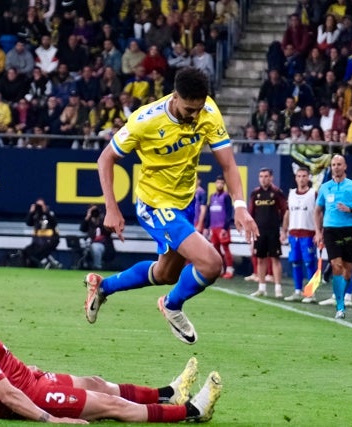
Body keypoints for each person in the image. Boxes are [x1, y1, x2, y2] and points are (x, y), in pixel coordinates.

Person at [87, 67, 259, 345]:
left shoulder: (208, 112)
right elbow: (105, 159)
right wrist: (112, 207)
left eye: (199, 108)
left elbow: (228, 164)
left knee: (166, 273)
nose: (195, 115)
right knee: (212, 264)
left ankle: (103, 286)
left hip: (185, 202)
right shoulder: (145, 120)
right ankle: (172, 305)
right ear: (175, 97)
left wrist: (239, 205)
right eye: (190, 109)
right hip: (155, 204)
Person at [0, 271, 222, 424]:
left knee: (96, 383)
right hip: (31, 396)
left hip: (28, 382)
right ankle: (191, 411)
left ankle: (168, 394)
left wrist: (23, 371)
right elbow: (6, 394)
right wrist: (50, 418)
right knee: (111, 405)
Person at [314, 155, 352, 319]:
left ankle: (343, 295)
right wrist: (318, 231)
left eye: (339, 164)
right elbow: (317, 211)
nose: (336, 167)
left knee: (348, 269)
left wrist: (351, 210)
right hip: (331, 230)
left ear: (345, 166)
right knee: (336, 264)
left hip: (349, 231)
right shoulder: (325, 187)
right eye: (333, 165)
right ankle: (340, 306)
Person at [248, 168, 288, 298]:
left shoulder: (277, 193)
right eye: (261, 176)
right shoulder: (255, 193)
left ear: (271, 178)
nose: (263, 179)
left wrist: (284, 230)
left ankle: (278, 289)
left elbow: (285, 211)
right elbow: (251, 214)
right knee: (260, 259)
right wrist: (249, 231)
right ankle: (261, 288)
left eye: (266, 176)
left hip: (273, 231)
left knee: (275, 259)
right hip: (259, 232)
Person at [282, 167, 317, 302]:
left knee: (309, 263)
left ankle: (311, 292)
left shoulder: (313, 194)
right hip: (293, 233)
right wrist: (284, 231)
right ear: (295, 178)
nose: (301, 179)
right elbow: (288, 213)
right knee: (295, 262)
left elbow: (320, 213)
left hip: (308, 233)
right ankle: (297, 290)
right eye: (299, 176)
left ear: (308, 178)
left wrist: (319, 232)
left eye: (304, 176)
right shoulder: (291, 194)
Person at [204, 175, 235, 279]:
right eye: (218, 182)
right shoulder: (212, 196)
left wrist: (225, 228)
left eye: (222, 183)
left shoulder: (226, 196)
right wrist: (207, 226)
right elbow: (208, 212)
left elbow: (229, 213)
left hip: (222, 227)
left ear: (224, 184)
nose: (219, 184)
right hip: (213, 227)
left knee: (226, 248)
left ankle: (230, 269)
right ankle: (220, 268)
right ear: (215, 184)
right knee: (216, 249)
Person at [22, 198, 61, 269]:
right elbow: (28, 223)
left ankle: (50, 263)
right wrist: (31, 212)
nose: (39, 207)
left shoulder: (49, 213)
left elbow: (54, 223)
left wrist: (45, 212)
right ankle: (46, 262)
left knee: (41, 250)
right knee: (27, 251)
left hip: (50, 240)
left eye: (41, 205)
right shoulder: (35, 215)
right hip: (38, 241)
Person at [79, 205, 114, 270]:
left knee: (95, 246)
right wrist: (88, 217)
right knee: (84, 245)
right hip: (89, 243)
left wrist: (99, 221)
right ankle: (83, 265)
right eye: (92, 211)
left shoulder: (104, 221)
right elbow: (82, 229)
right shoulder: (89, 222)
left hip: (103, 245)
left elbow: (109, 232)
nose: (94, 213)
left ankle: (97, 266)